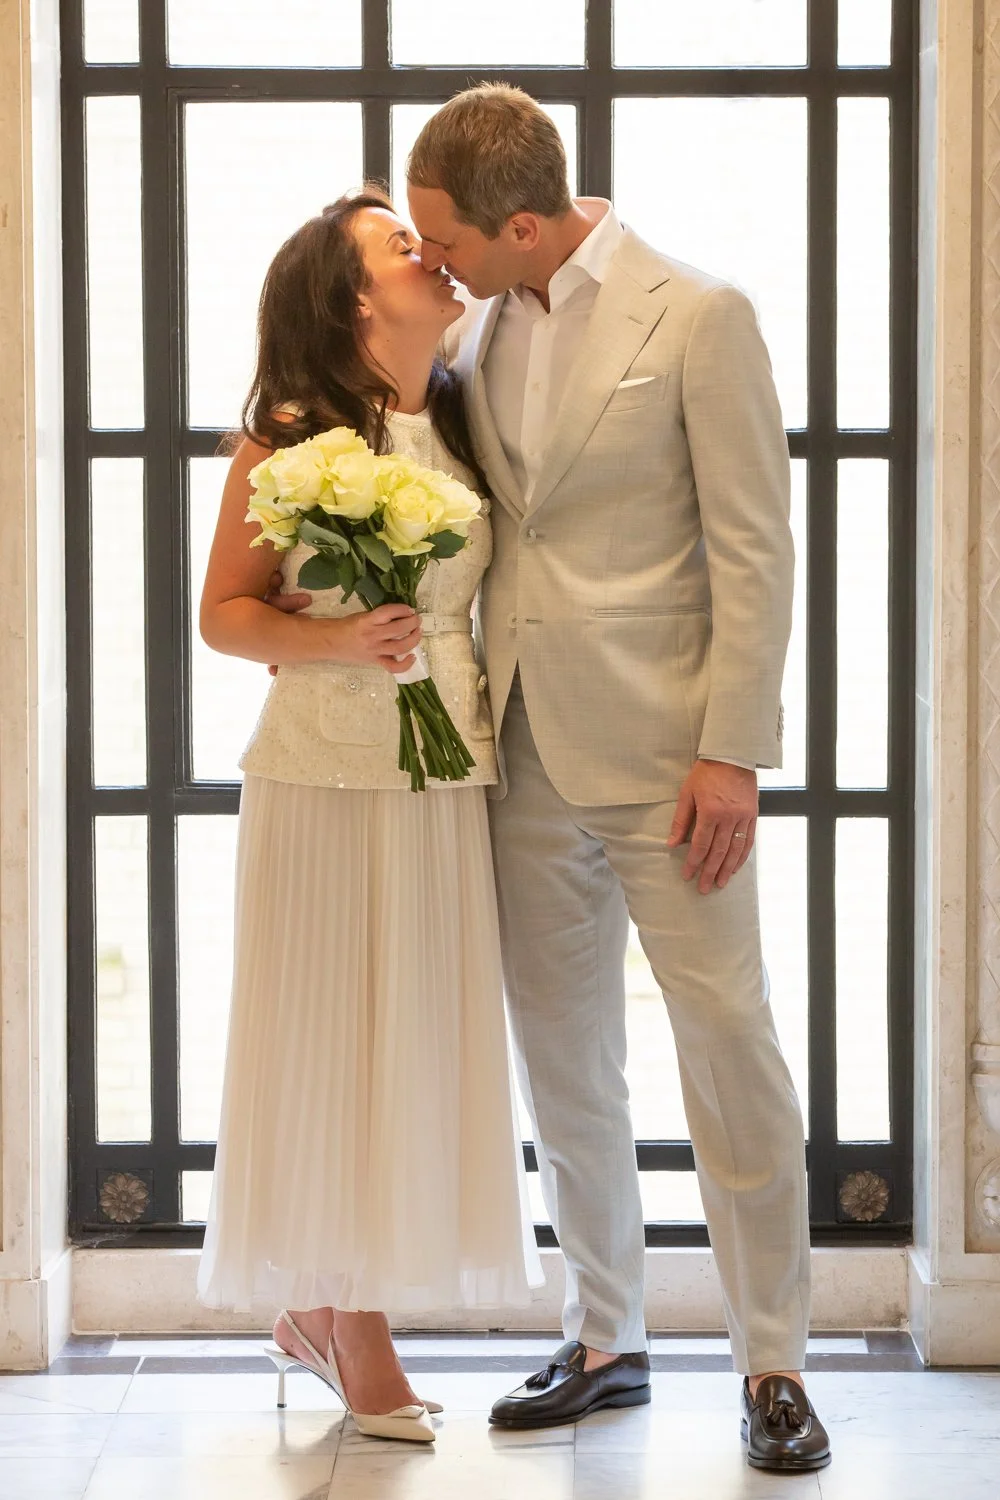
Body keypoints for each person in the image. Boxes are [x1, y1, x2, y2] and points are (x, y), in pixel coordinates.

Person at [400, 83, 831, 1472]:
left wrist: (733, 752)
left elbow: (756, 547)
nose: (433, 263)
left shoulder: (700, 315)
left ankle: (773, 1360)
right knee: (567, 1058)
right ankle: (608, 1338)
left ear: (524, 220)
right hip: (516, 749)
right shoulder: (468, 323)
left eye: (448, 237)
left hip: (670, 761)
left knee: (729, 1047)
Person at [196, 186, 541, 1445]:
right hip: (321, 776)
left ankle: (320, 1314)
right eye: (404, 246)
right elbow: (225, 613)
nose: (433, 258)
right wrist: (339, 637)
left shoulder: (459, 420)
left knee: (410, 1042)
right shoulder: (287, 437)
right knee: (329, 1040)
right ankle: (352, 1325)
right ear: (351, 299)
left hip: (444, 766)